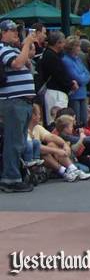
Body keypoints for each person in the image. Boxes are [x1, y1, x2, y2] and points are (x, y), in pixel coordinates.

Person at [0, 20, 38, 192]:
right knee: (14, 141)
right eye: (12, 30)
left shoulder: (14, 49)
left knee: (20, 141)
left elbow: (27, 59)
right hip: (13, 101)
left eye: (17, 30)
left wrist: (26, 45)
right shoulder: (3, 49)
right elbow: (16, 63)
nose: (16, 33)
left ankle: (16, 174)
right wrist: (27, 43)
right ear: (2, 33)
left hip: (23, 102)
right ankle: (10, 178)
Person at [27, 105, 89, 182]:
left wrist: (64, 145)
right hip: (30, 158)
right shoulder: (24, 130)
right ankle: (65, 171)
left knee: (52, 144)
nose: (40, 116)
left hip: (43, 157)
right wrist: (57, 151)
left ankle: (73, 169)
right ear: (33, 116)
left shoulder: (37, 127)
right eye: (39, 114)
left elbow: (51, 137)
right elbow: (37, 147)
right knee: (44, 152)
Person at [39, 31, 78, 125]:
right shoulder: (51, 56)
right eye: (63, 42)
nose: (64, 45)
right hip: (55, 92)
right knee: (57, 120)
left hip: (56, 91)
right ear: (58, 43)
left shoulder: (51, 54)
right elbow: (59, 75)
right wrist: (71, 84)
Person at [62, 36, 90, 126]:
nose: (79, 48)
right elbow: (76, 77)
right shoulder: (66, 60)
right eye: (77, 46)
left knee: (84, 121)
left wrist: (82, 77)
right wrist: (82, 77)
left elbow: (87, 74)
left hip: (83, 93)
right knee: (76, 121)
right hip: (74, 95)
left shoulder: (78, 59)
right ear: (71, 47)